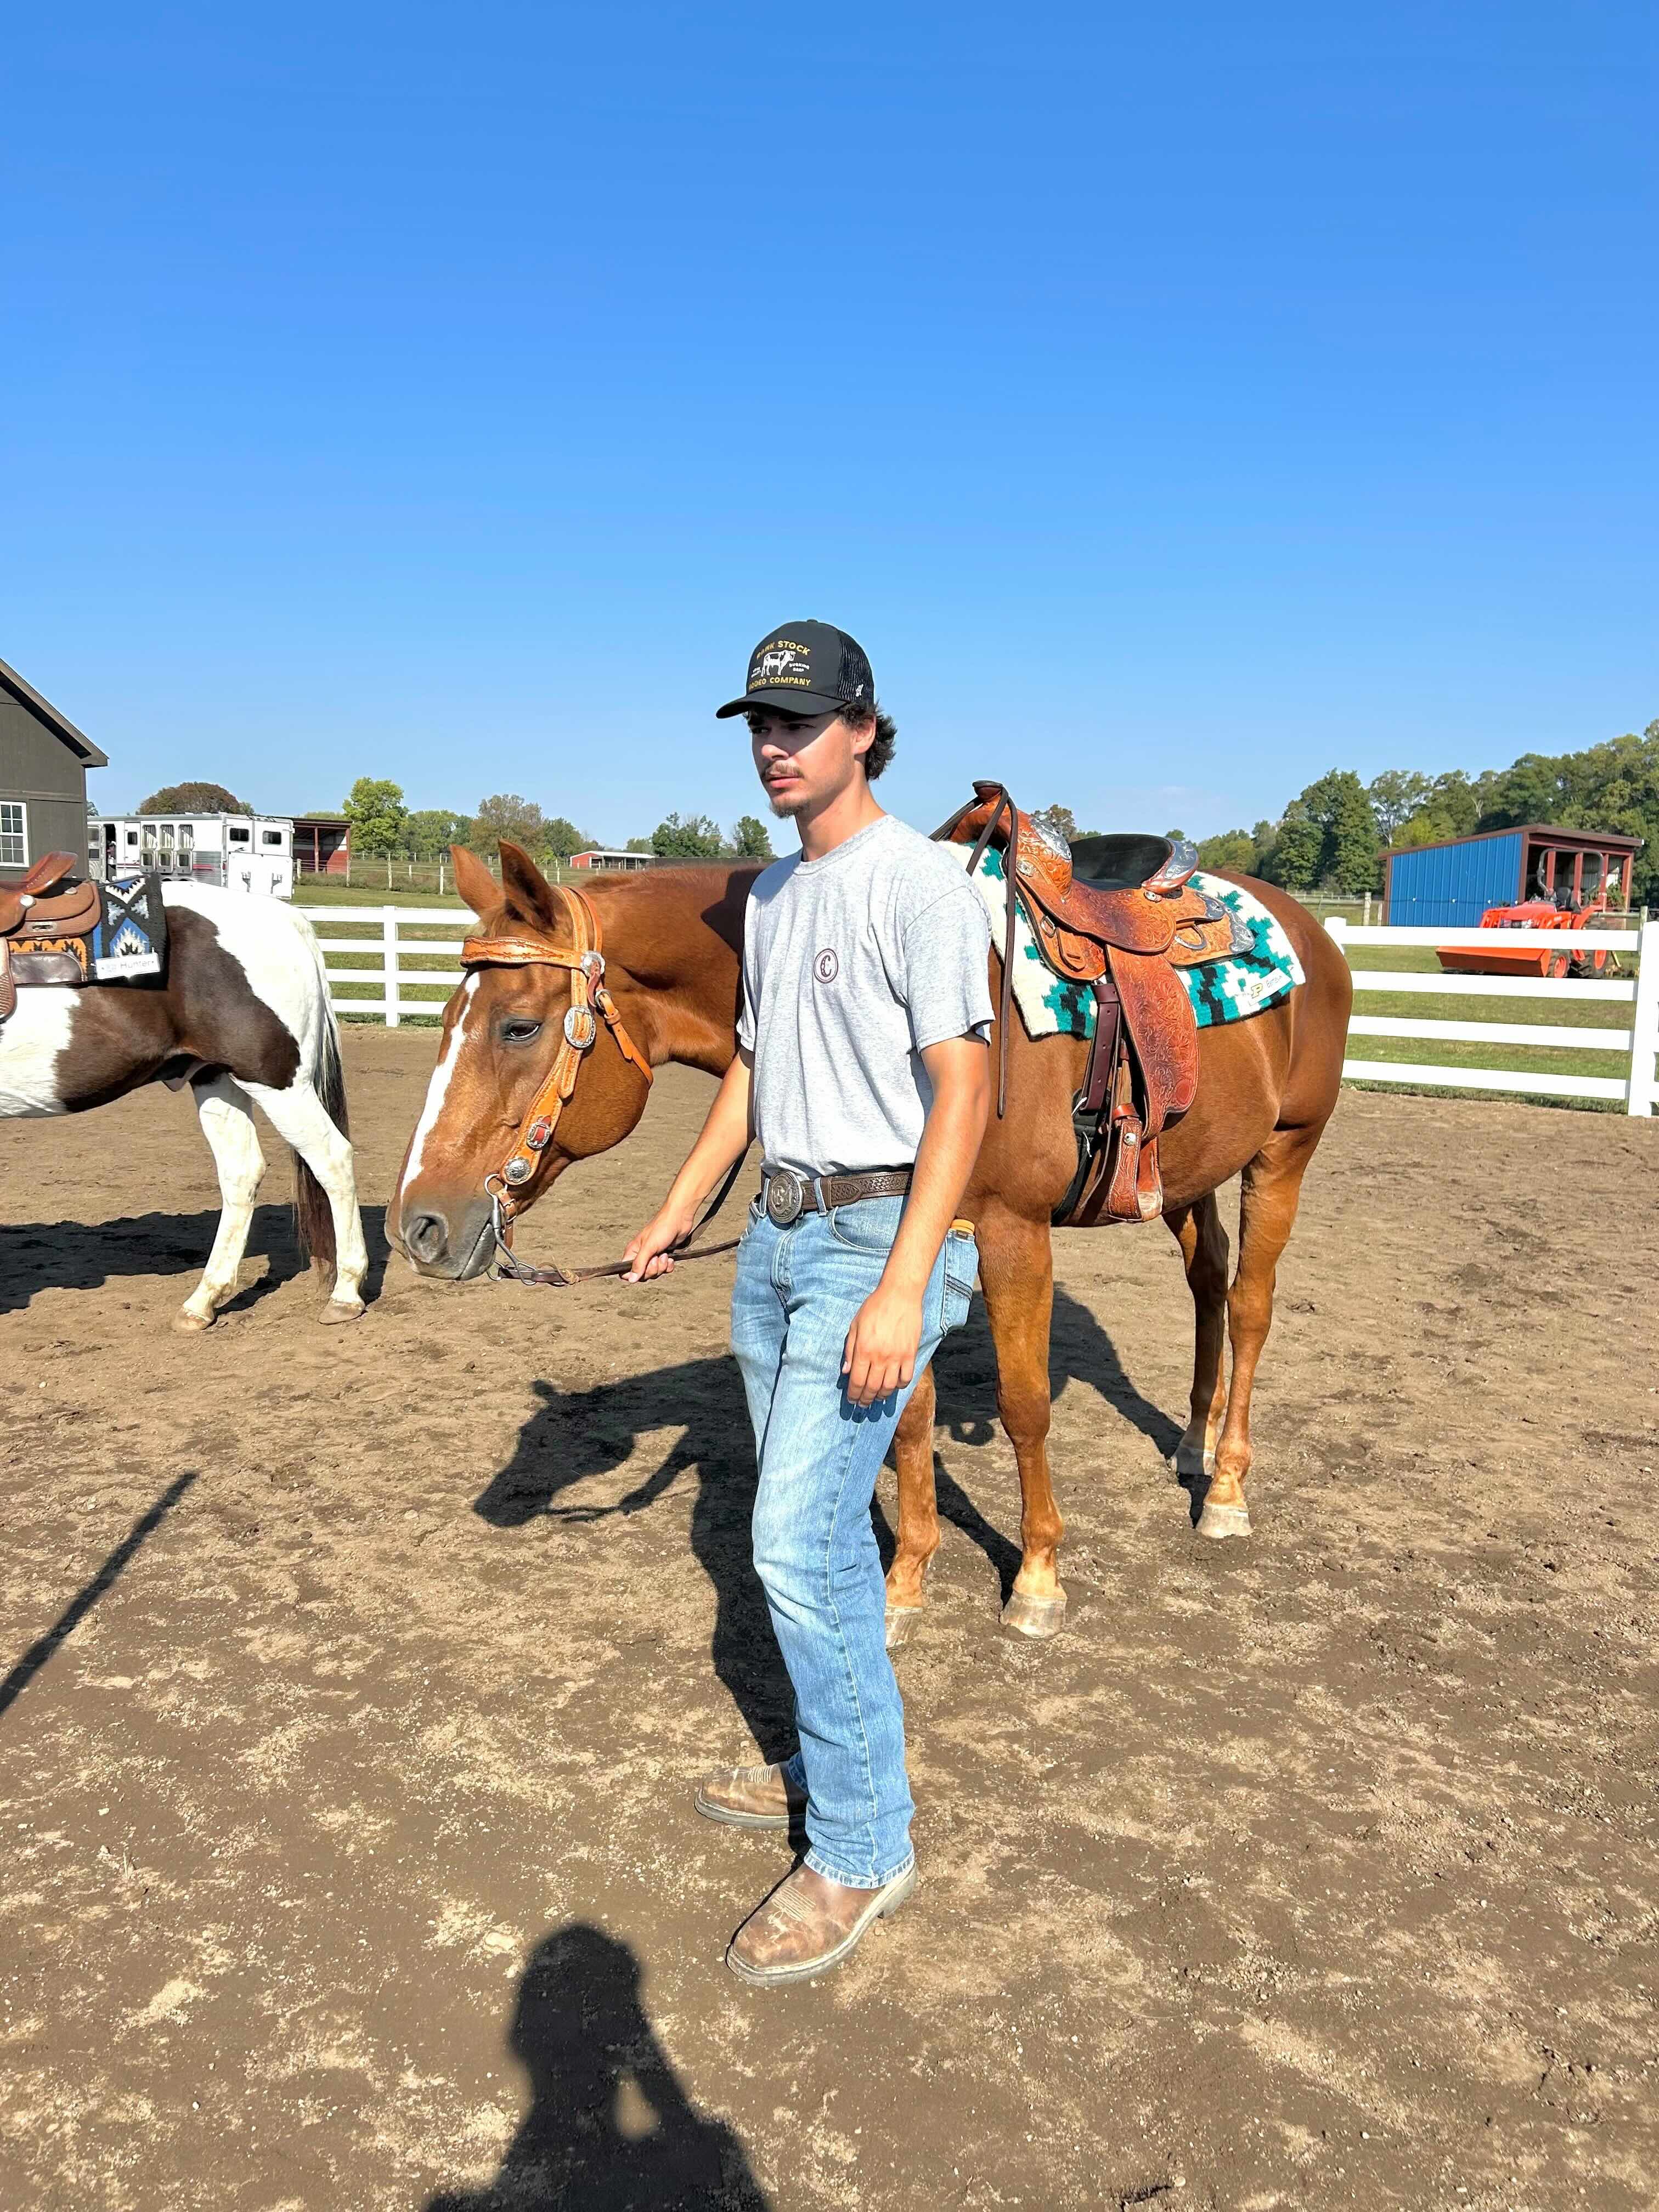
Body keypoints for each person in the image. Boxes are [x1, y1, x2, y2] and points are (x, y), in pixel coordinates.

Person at [623, 620, 992, 1986]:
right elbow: (754, 1073)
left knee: (786, 1542)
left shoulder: (927, 886)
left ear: (864, 730)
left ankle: (860, 1845)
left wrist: (905, 1284)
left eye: (799, 723)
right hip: (775, 1245)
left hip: (872, 1246)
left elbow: (966, 1090)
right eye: (757, 726)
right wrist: (679, 1210)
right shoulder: (775, 899)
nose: (774, 747)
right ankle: (830, 1751)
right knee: (822, 1543)